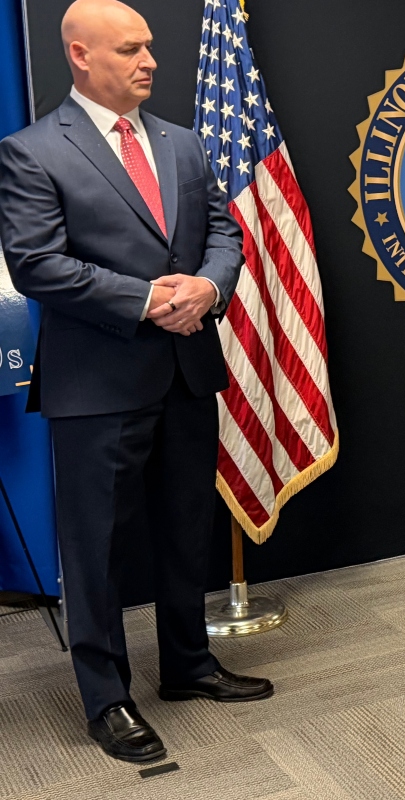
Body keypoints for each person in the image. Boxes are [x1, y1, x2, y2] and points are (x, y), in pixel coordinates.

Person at [0, 0, 271, 764]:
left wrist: (209, 288)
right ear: (80, 55)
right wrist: (151, 299)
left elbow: (225, 230)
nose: (150, 60)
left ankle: (188, 664)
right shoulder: (30, 152)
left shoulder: (183, 143)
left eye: (149, 46)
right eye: (130, 49)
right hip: (96, 387)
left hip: (186, 371)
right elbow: (37, 264)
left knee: (186, 528)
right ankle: (106, 698)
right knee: (97, 549)